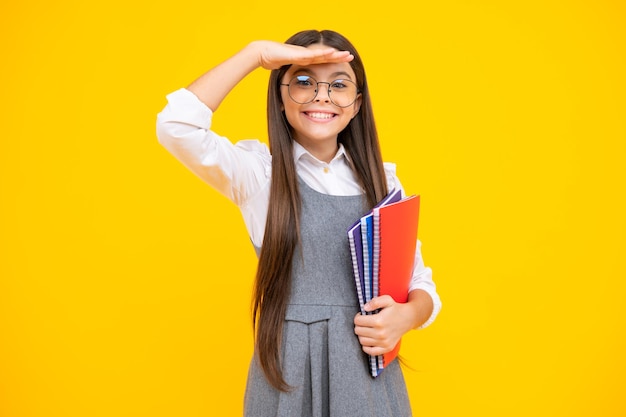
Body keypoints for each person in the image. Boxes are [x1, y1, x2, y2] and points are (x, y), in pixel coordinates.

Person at [156, 29, 441, 417]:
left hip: (369, 383)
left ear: (356, 105)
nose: (322, 96)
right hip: (287, 379)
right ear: (280, 94)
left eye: (338, 85)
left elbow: (419, 282)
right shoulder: (260, 175)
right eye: (303, 82)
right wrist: (254, 54)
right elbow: (176, 126)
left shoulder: (383, 182)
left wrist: (407, 316)